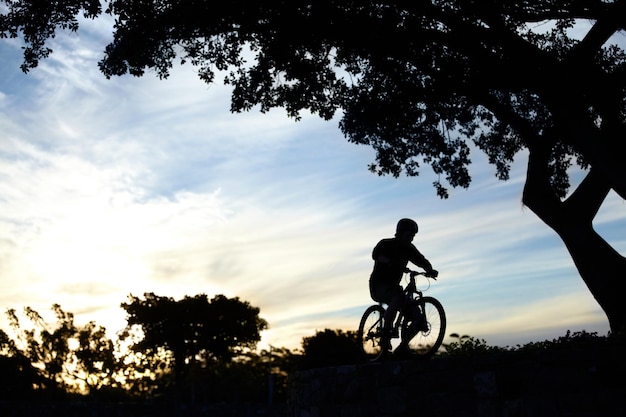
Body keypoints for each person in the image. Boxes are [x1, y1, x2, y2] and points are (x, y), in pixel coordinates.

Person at [369, 218, 438, 353]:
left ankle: (402, 348)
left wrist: (430, 269)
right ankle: (385, 333)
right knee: (397, 297)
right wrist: (388, 261)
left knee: (417, 319)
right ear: (400, 233)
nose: (411, 238)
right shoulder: (386, 244)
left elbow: (421, 260)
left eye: (413, 236)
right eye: (409, 235)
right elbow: (376, 255)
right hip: (378, 286)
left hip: (394, 288)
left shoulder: (409, 249)